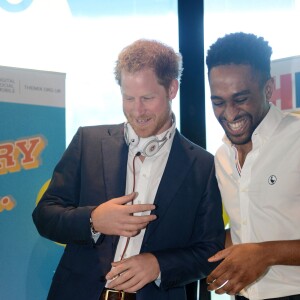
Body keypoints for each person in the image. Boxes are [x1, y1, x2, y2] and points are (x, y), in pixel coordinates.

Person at [32, 38, 225, 300]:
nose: (137, 111)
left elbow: (209, 250)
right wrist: (94, 220)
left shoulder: (203, 165)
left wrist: (158, 264)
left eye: (147, 98)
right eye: (128, 98)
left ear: (172, 89)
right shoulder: (87, 142)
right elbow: (45, 216)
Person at [205, 32, 300, 299]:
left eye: (241, 99)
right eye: (218, 102)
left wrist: (265, 253)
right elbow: (242, 229)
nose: (230, 113)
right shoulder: (221, 157)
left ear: (268, 89)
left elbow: (257, 249)